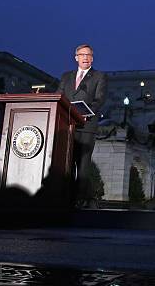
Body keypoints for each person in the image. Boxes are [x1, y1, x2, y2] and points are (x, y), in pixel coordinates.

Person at [57, 44, 108, 208]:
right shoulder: (66, 77)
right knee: (67, 161)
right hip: (68, 125)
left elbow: (99, 100)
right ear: (76, 57)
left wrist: (85, 112)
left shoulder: (99, 76)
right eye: (82, 54)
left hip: (87, 125)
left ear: (92, 58)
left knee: (83, 162)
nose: (85, 57)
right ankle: (66, 196)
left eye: (88, 55)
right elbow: (59, 96)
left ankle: (81, 199)